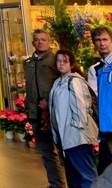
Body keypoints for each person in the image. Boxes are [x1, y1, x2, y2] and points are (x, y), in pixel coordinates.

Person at [50, 49, 98, 188]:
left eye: (65, 61)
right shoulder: (58, 82)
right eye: (59, 61)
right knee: (76, 175)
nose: (61, 64)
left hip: (77, 137)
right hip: (67, 137)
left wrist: (77, 129)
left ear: (71, 64)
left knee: (87, 174)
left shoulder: (75, 81)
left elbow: (80, 107)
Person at [26, 29, 68, 188]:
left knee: (64, 152)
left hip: (55, 114)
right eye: (37, 40)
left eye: (43, 39)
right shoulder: (31, 62)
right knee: (46, 153)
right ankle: (56, 184)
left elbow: (63, 83)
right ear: (33, 43)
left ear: (49, 42)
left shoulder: (56, 60)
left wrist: (49, 99)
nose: (40, 42)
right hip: (37, 115)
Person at [87, 26, 112, 172]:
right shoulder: (96, 69)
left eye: (105, 39)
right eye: (98, 40)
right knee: (105, 166)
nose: (102, 43)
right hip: (106, 126)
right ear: (94, 43)